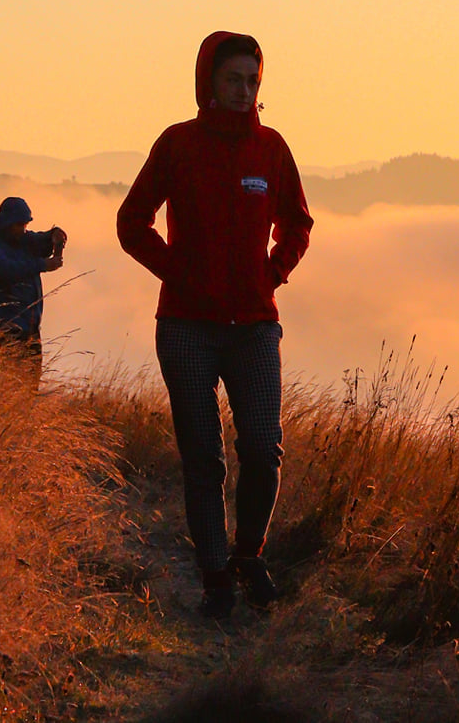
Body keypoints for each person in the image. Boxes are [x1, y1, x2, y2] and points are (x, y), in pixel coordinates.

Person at [117, 32, 313, 619]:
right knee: (202, 456)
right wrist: (180, 272)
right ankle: (214, 578)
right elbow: (132, 222)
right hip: (186, 327)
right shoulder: (178, 144)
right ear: (209, 81)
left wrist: (272, 274)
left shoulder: (271, 149)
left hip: (254, 324)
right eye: (234, 79)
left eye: (254, 80)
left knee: (263, 446)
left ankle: (248, 555)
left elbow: (298, 223)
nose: (245, 90)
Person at [0, 195, 65, 379]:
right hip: (7, 321)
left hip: (29, 321)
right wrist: (42, 265)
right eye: (19, 225)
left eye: (25, 225)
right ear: (7, 222)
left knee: (30, 381)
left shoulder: (16, 237)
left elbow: (36, 241)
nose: (23, 229)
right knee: (14, 379)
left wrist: (52, 235)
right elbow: (6, 270)